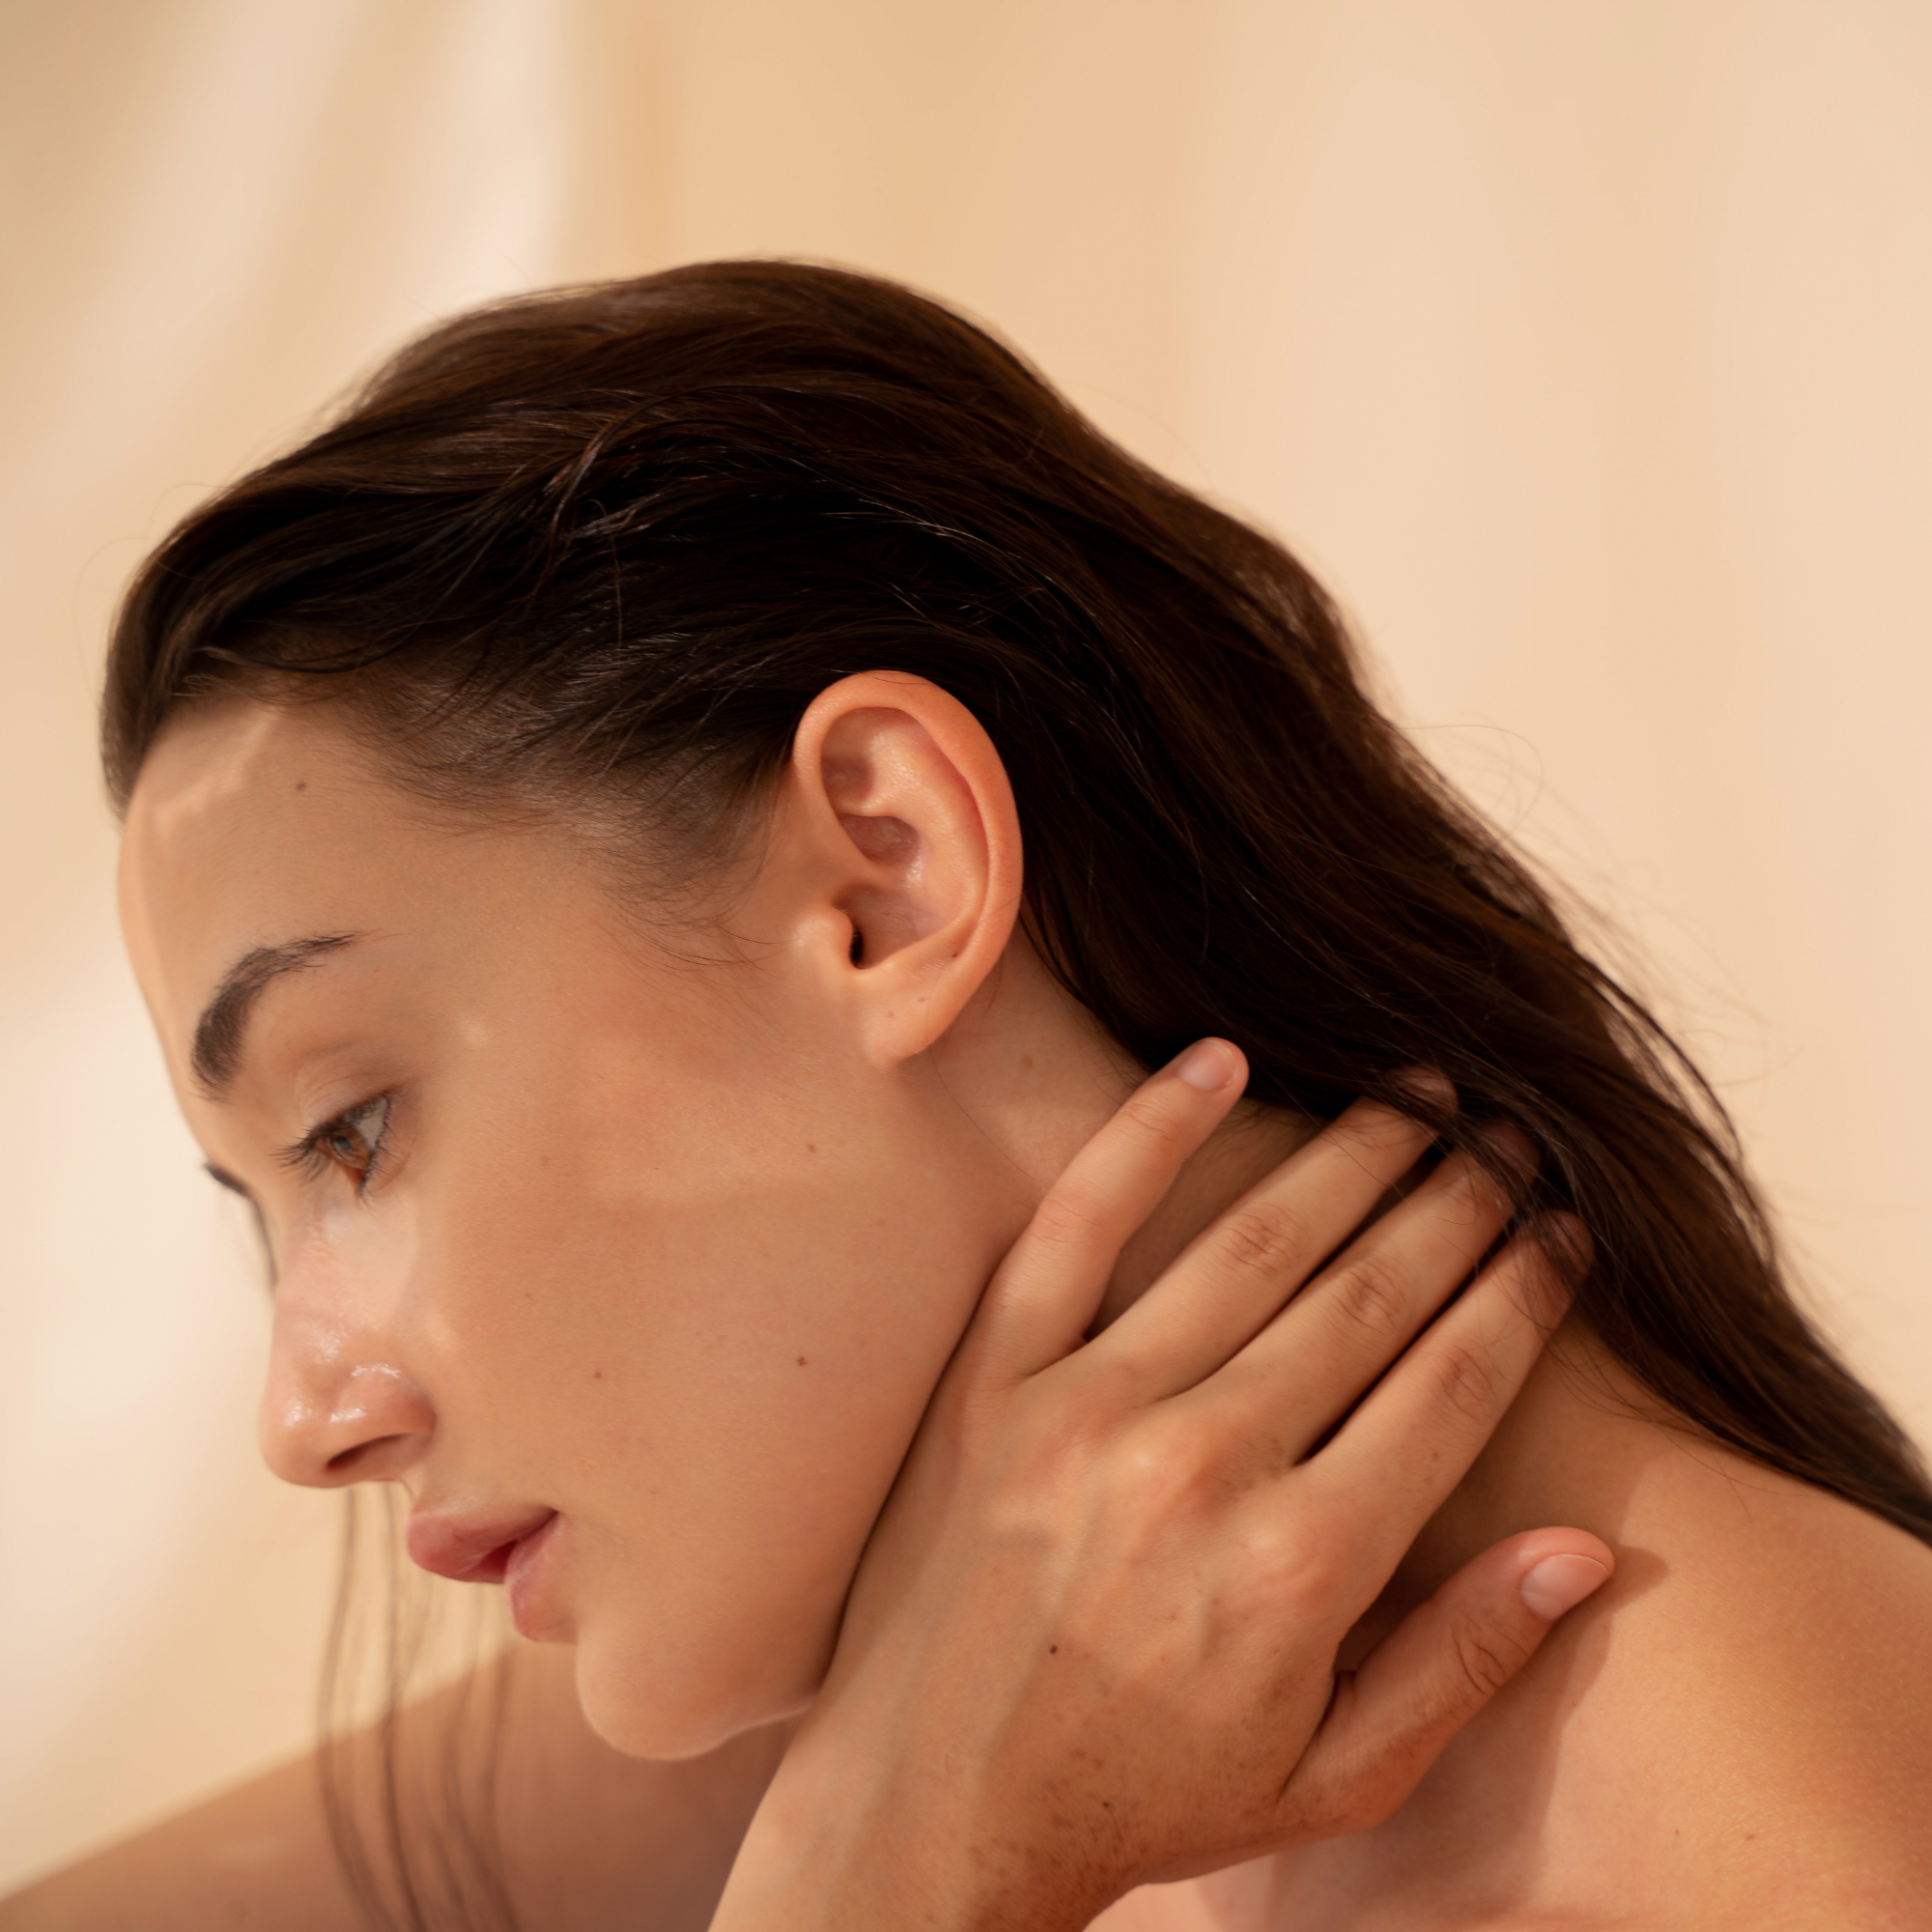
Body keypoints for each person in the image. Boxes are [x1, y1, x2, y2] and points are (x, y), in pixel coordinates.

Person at [7, 260, 1930, 1929]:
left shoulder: (1772, 1865)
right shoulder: (938, 1664)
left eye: (348, 1129)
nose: (303, 1423)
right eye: (264, 1205)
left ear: (886, 876)